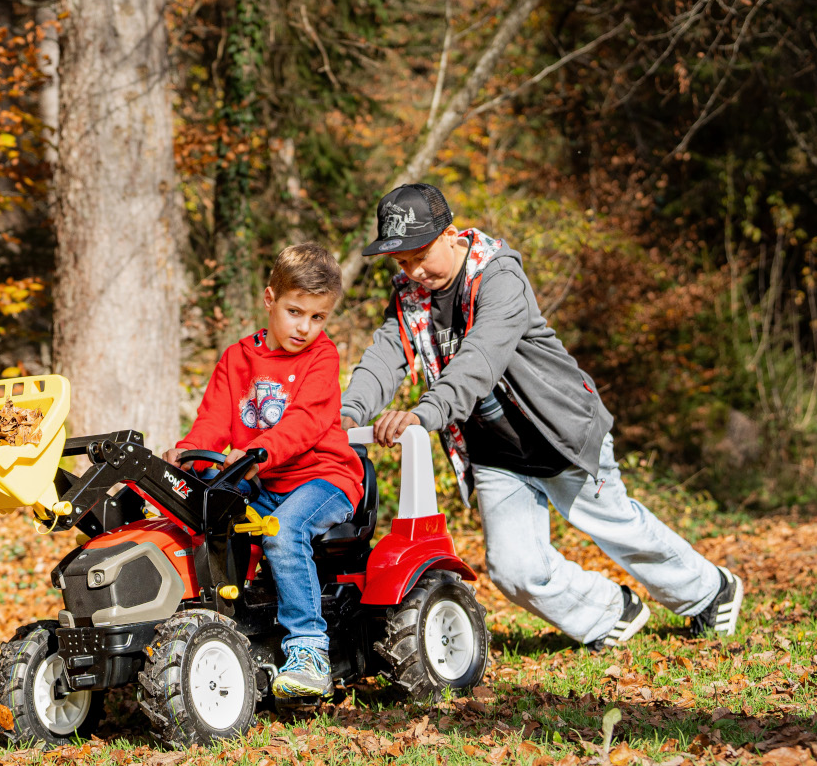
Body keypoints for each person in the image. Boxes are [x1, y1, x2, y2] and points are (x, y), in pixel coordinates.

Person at [339, 183, 744, 649]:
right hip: (496, 451)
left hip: (559, 434)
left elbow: (480, 359)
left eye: (420, 254)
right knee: (514, 570)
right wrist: (349, 414)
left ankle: (710, 591)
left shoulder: (499, 277)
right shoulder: (410, 298)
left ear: (450, 234)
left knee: (619, 529)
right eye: (401, 262)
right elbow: (384, 358)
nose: (413, 270)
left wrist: (424, 414)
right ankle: (611, 612)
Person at [163, 243, 364, 699]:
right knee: (207, 516)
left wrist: (254, 454)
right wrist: (190, 454)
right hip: (263, 480)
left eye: (318, 317)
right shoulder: (237, 359)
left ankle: (310, 652)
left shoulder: (322, 357)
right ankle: (220, 630)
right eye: (296, 312)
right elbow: (213, 423)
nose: (305, 328)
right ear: (270, 298)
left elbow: (304, 425)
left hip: (325, 478)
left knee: (282, 529)